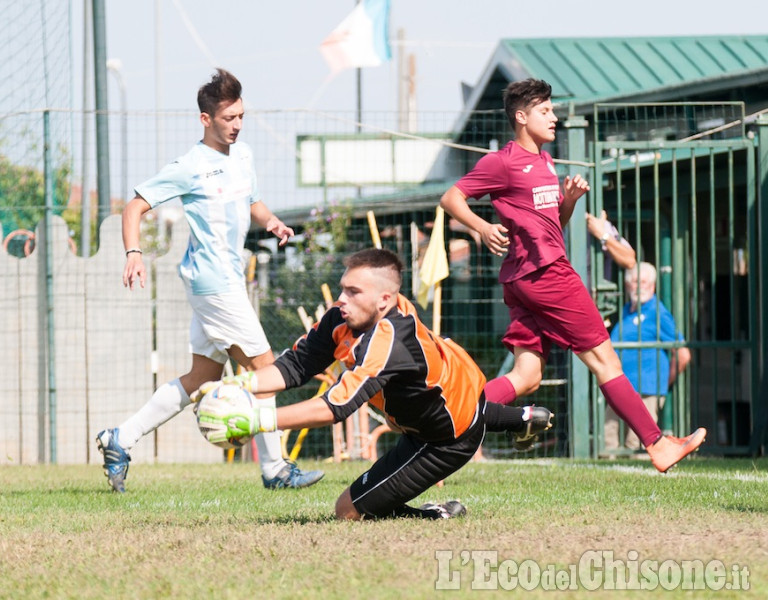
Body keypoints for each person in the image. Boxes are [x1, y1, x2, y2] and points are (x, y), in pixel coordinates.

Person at [439, 78, 706, 473]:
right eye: (545, 111)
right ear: (521, 116)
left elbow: (550, 227)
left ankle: (447, 421)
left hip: (524, 278)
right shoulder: (502, 162)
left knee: (526, 377)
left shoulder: (547, 162)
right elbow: (451, 197)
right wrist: (479, 226)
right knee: (606, 362)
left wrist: (568, 202)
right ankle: (657, 443)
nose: (555, 117)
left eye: (553, 110)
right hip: (547, 275)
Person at [195, 248, 554, 520]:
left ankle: (435, 514)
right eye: (343, 289)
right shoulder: (346, 317)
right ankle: (521, 417)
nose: (341, 300)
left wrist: (258, 422)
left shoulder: (389, 340)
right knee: (427, 410)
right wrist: (241, 385)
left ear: (385, 300)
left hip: (445, 439)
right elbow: (296, 366)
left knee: (347, 511)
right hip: (449, 395)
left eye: (353, 292)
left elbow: (337, 405)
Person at [96, 68, 324, 493]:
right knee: (265, 369)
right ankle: (275, 469)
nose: (236, 126)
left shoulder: (244, 155)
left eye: (241, 117)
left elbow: (252, 201)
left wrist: (271, 221)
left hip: (225, 282)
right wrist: (133, 253)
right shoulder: (189, 166)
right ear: (206, 120)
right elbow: (133, 208)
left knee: (201, 377)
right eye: (228, 119)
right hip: (212, 284)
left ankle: (119, 438)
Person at [605, 262, 691, 451]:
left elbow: (682, 353)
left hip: (647, 389)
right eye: (635, 281)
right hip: (620, 387)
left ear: (653, 286)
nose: (639, 286)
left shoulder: (657, 312)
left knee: (638, 443)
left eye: (644, 282)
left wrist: (664, 382)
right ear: (627, 285)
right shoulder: (626, 311)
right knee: (609, 437)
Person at [585, 209, 636, 327]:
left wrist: (601, 234)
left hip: (592, 310)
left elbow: (629, 260)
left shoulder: (594, 222)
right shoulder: (547, 220)